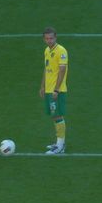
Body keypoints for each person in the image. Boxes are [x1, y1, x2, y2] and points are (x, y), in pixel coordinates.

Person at [40, 27, 69, 155]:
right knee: (54, 115)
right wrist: (42, 86)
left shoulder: (61, 51)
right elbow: (46, 69)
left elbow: (62, 70)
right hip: (49, 89)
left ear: (55, 37)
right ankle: (58, 142)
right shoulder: (47, 50)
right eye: (47, 38)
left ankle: (60, 145)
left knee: (57, 115)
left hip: (57, 90)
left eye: (51, 38)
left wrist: (56, 90)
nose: (49, 40)